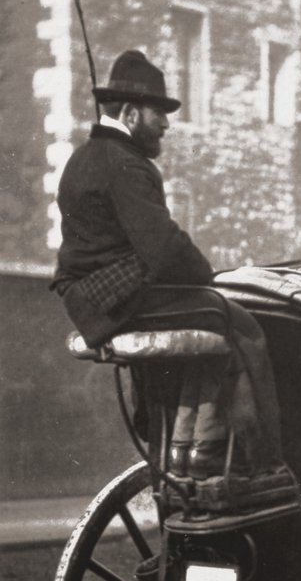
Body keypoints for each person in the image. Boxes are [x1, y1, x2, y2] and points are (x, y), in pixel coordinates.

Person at [52, 49, 288, 488]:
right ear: (129, 112)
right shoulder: (125, 164)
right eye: (157, 113)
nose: (165, 123)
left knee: (209, 317)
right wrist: (210, 276)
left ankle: (181, 446)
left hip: (91, 298)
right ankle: (260, 462)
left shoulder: (83, 158)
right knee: (242, 327)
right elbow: (163, 248)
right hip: (116, 299)